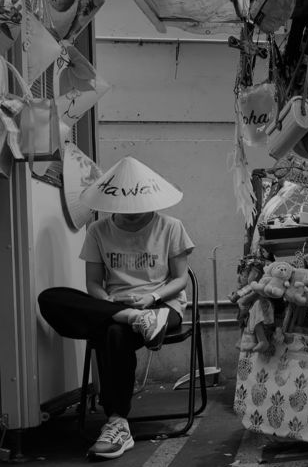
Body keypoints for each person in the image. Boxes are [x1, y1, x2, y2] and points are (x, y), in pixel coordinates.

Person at [37, 157, 194, 460]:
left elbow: (180, 279)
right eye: (124, 208)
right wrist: (110, 304)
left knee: (113, 333)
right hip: (116, 307)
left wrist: (151, 299)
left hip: (162, 309)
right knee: (50, 298)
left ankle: (117, 421)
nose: (132, 214)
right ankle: (130, 318)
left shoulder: (171, 227)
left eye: (139, 207)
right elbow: (94, 284)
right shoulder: (98, 231)